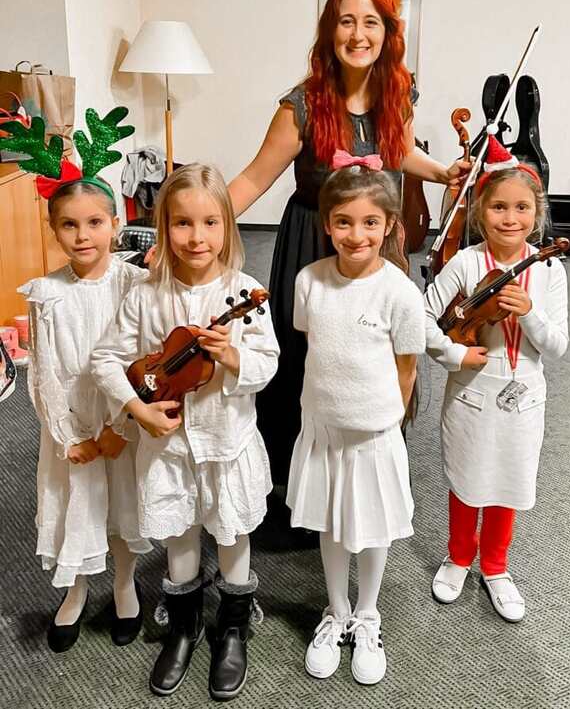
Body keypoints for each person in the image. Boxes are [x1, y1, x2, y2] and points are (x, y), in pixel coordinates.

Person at [228, 0, 469, 487]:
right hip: (314, 238)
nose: (358, 34)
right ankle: (301, 492)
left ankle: (370, 476)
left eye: (370, 23)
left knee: (378, 350)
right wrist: (202, 225)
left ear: (388, 34)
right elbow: (254, 177)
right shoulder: (303, 105)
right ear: (329, 30)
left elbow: (398, 151)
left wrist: (441, 172)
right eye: (345, 21)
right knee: (310, 358)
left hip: (378, 242)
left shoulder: (397, 93)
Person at [91, 164, 279, 701]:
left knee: (232, 531)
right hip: (166, 446)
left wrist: (234, 357)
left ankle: (235, 625)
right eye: (182, 224)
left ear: (228, 228)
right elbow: (107, 359)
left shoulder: (243, 294)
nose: (197, 238)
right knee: (179, 531)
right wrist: (136, 408)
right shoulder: (148, 294)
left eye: (210, 223)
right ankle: (185, 625)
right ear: (163, 226)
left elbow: (268, 365)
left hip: (226, 442)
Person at [286, 161, 425, 685]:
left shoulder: (400, 294)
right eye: (343, 221)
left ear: (389, 225)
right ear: (325, 224)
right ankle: (337, 610)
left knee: (371, 525)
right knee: (332, 522)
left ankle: (368, 614)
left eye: (370, 222)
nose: (356, 234)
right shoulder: (309, 282)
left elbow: (405, 370)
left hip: (373, 434)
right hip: (323, 429)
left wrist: (384, 422)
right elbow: (313, 345)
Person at [424, 137, 569, 622]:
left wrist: (529, 314)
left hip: (525, 395)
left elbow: (557, 346)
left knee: (509, 477)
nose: (511, 219)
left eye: (522, 208)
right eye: (500, 208)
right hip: (470, 391)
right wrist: (454, 353)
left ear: (538, 212)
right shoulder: (466, 263)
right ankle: (459, 556)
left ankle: (496, 565)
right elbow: (427, 318)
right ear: (481, 211)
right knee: (467, 476)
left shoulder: (548, 270)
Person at [19, 174, 150, 652]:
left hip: (122, 413)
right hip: (72, 420)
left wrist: (121, 425)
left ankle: (123, 584)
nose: (82, 235)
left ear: (115, 224)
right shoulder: (46, 293)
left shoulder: (136, 282)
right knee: (77, 504)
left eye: (95, 222)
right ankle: (74, 591)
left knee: (122, 504)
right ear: (54, 228)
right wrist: (67, 435)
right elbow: (43, 371)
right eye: (69, 225)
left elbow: (146, 358)